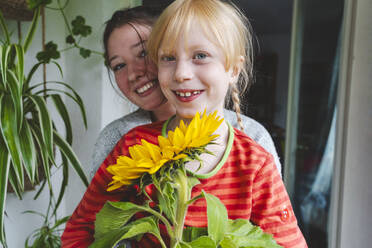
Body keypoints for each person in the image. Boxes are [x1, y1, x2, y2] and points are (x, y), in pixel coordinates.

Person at [62, 1, 307, 247]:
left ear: (233, 68)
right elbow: (82, 230)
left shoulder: (255, 162)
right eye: (168, 58)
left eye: (200, 56)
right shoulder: (132, 145)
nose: (181, 73)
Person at [90, 5, 283, 181]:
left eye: (144, 53)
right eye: (119, 65)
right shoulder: (120, 139)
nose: (133, 73)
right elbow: (95, 216)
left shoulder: (251, 138)